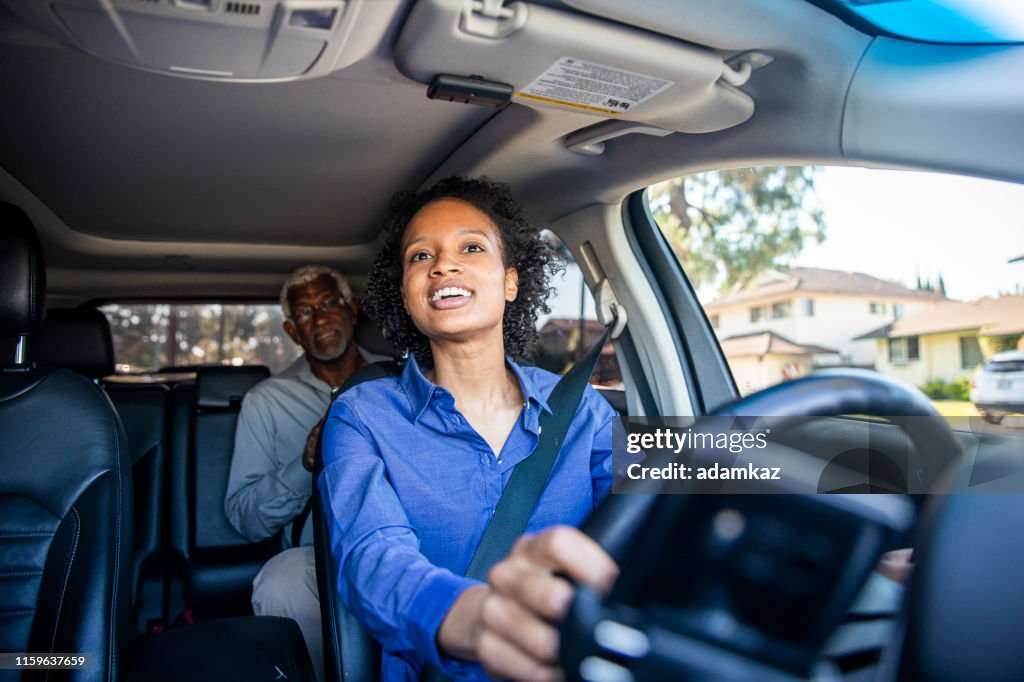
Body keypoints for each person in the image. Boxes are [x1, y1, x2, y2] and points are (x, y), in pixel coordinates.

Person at [319, 176, 619, 682]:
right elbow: (372, 557)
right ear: (407, 295)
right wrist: (475, 618)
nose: (443, 265)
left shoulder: (583, 410)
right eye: (420, 257)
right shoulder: (360, 415)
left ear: (510, 281)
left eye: (471, 247)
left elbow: (656, 505)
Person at [224, 264, 365, 682]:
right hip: (320, 557)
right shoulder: (265, 402)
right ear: (291, 330)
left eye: (328, 304)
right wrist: (304, 465)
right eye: (305, 313)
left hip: (410, 540)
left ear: (352, 310)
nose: (320, 319)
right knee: (281, 579)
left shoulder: (401, 379)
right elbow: (244, 519)